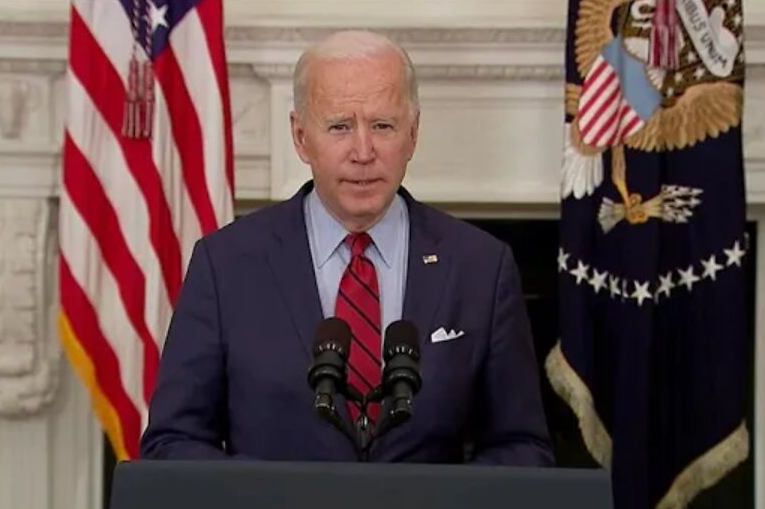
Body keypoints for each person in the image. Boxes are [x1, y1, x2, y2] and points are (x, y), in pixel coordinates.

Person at [140, 30, 554, 466]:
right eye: (339, 126)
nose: (362, 151)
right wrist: (267, 500)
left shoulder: (480, 267)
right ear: (301, 137)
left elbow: (522, 448)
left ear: (412, 134)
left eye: (383, 126)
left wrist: (443, 508)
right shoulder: (226, 266)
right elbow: (172, 443)